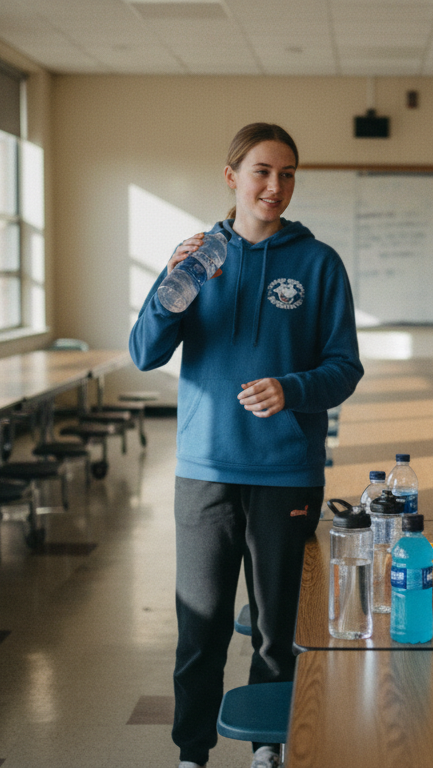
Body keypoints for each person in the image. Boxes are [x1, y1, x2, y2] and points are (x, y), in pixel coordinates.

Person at [129, 123, 363, 768]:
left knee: (275, 630)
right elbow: (145, 352)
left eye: (287, 174)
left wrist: (291, 389)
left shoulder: (318, 264)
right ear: (232, 177)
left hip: (286, 473)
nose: (276, 186)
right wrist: (171, 288)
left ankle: (268, 748)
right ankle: (191, 752)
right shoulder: (200, 258)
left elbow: (345, 368)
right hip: (204, 471)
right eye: (262, 171)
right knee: (198, 631)